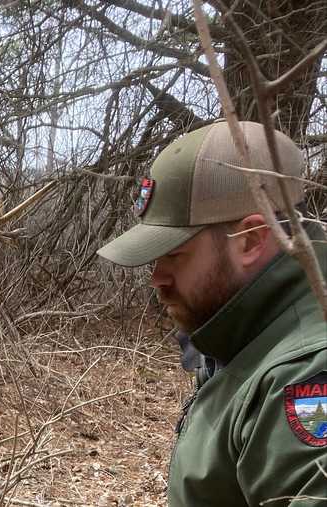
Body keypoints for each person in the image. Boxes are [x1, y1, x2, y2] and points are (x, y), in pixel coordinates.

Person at [96, 120, 327, 506]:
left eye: (174, 254)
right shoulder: (245, 339)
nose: (157, 277)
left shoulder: (302, 373)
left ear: (251, 240)